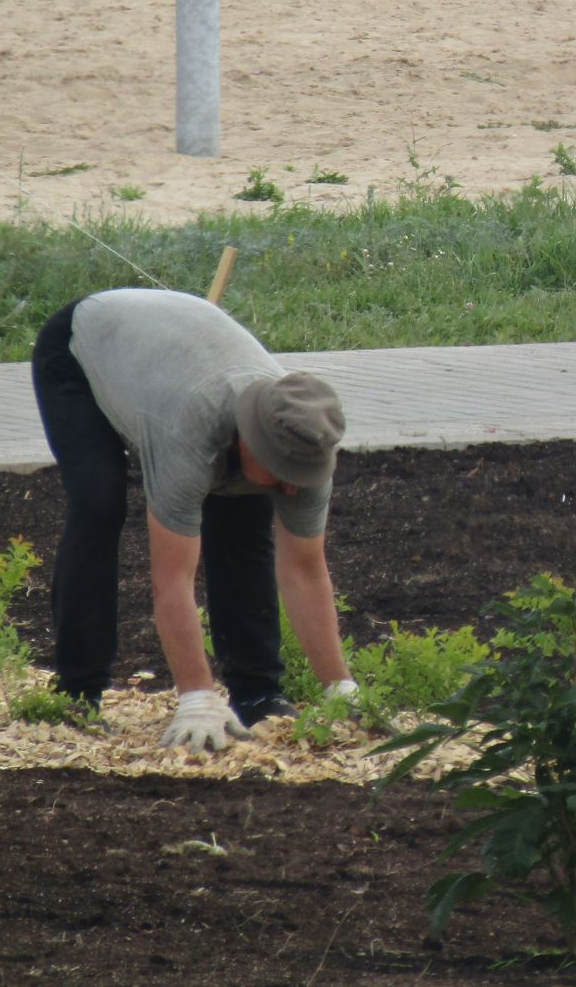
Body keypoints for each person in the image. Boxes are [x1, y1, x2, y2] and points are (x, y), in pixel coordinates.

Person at [30, 287, 359, 751]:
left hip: (179, 350)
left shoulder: (307, 437)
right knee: (98, 504)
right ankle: (77, 693)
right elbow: (172, 581)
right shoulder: (186, 429)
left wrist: (340, 690)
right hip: (87, 347)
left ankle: (259, 694)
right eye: (284, 472)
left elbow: (304, 570)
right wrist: (196, 697)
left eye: (302, 475)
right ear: (250, 441)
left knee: (244, 526)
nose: (292, 487)